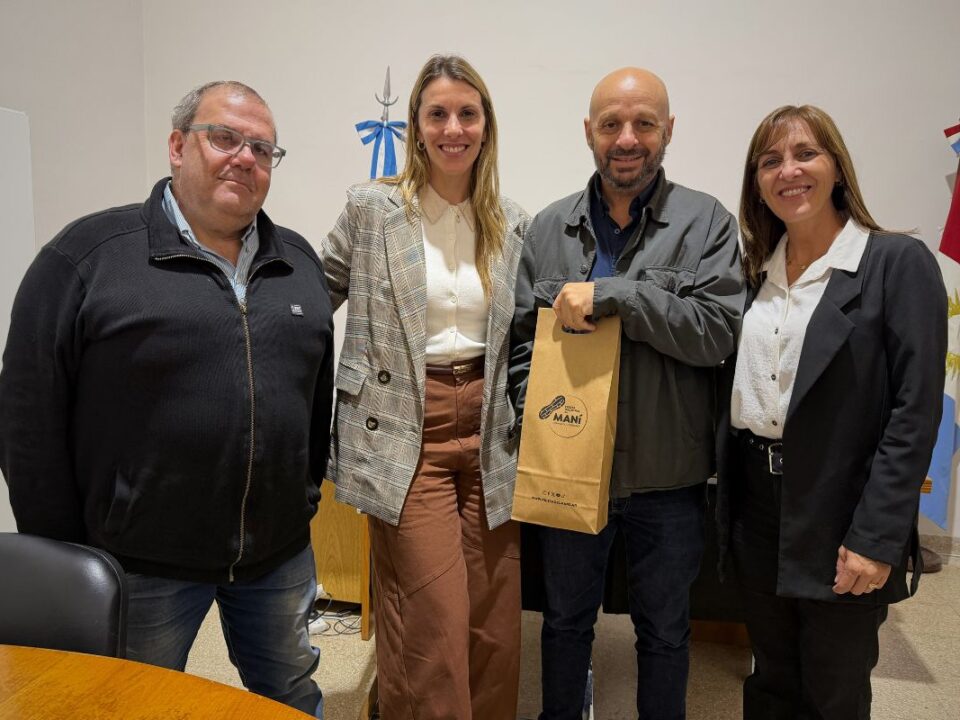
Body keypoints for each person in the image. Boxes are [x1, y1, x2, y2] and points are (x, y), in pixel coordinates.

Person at [0, 81, 333, 718]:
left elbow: (315, 401)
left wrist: (302, 499)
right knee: (128, 706)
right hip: (140, 564)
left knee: (291, 696)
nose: (245, 158)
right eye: (225, 137)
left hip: (277, 556)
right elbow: (26, 416)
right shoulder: (88, 257)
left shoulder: (298, 262)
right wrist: (65, 551)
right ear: (178, 146)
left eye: (263, 148)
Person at [509, 67, 744, 720]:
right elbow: (521, 346)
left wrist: (620, 296)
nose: (627, 138)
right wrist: (538, 420)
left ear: (669, 130)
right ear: (589, 131)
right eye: (611, 123)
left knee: (665, 632)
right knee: (563, 623)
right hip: (568, 471)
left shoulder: (707, 223)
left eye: (644, 123)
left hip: (669, 481)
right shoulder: (546, 229)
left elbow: (718, 333)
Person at [719, 104, 947, 719]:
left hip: (840, 508)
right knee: (771, 679)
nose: (788, 171)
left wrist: (875, 537)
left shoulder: (896, 264)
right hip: (756, 507)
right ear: (757, 183)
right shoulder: (752, 275)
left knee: (833, 688)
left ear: (838, 168)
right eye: (770, 161)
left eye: (806, 154)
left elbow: (914, 414)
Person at [321, 55, 529, 719]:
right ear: (415, 125)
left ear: (487, 126)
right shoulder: (372, 211)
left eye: (467, 113)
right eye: (437, 114)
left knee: (495, 621)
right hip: (405, 427)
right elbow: (310, 297)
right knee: (432, 617)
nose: (453, 128)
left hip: (491, 431)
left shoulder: (511, 223)